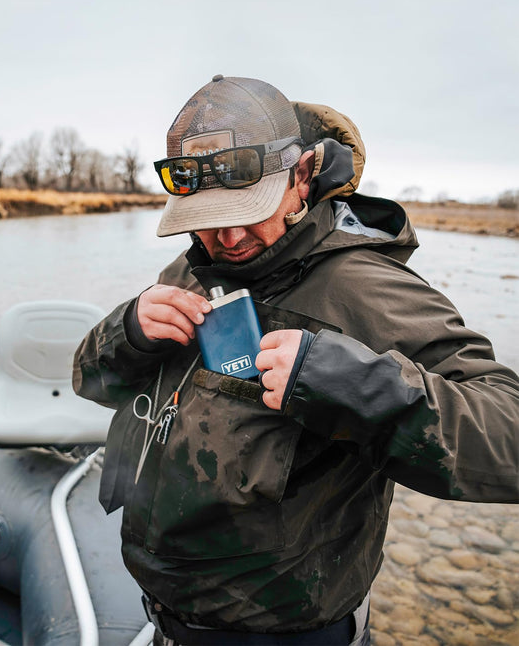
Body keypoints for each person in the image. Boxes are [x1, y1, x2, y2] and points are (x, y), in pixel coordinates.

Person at [73, 75, 519, 645]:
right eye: (207, 217)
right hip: (169, 621)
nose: (228, 235)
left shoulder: (365, 288)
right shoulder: (186, 273)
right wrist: (127, 332)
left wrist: (347, 384)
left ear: (301, 176)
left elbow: (506, 434)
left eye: (247, 209)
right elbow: (87, 381)